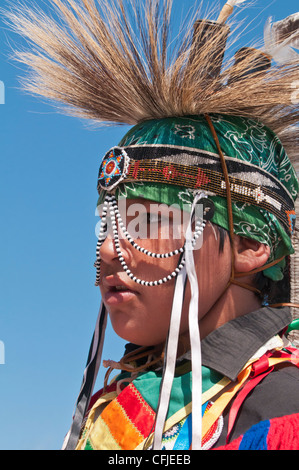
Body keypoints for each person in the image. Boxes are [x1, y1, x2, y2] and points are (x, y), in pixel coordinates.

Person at [6, 0, 299, 450]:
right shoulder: (115, 407)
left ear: (250, 242)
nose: (108, 248)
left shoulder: (279, 411)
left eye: (150, 220)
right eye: (108, 225)